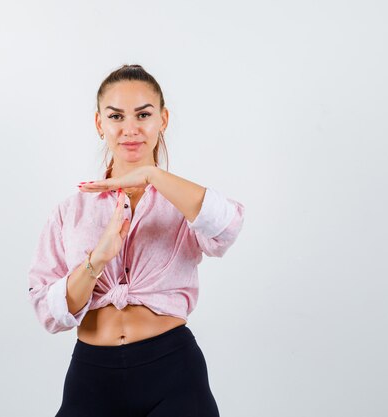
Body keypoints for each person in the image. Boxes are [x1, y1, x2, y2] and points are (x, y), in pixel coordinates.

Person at [27, 64, 245, 417]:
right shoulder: (70, 211)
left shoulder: (182, 201)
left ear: (163, 119)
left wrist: (152, 175)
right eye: (116, 116)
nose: (130, 129)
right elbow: (48, 313)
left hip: (174, 374)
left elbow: (227, 229)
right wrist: (96, 260)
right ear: (100, 124)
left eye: (143, 115)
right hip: (92, 378)